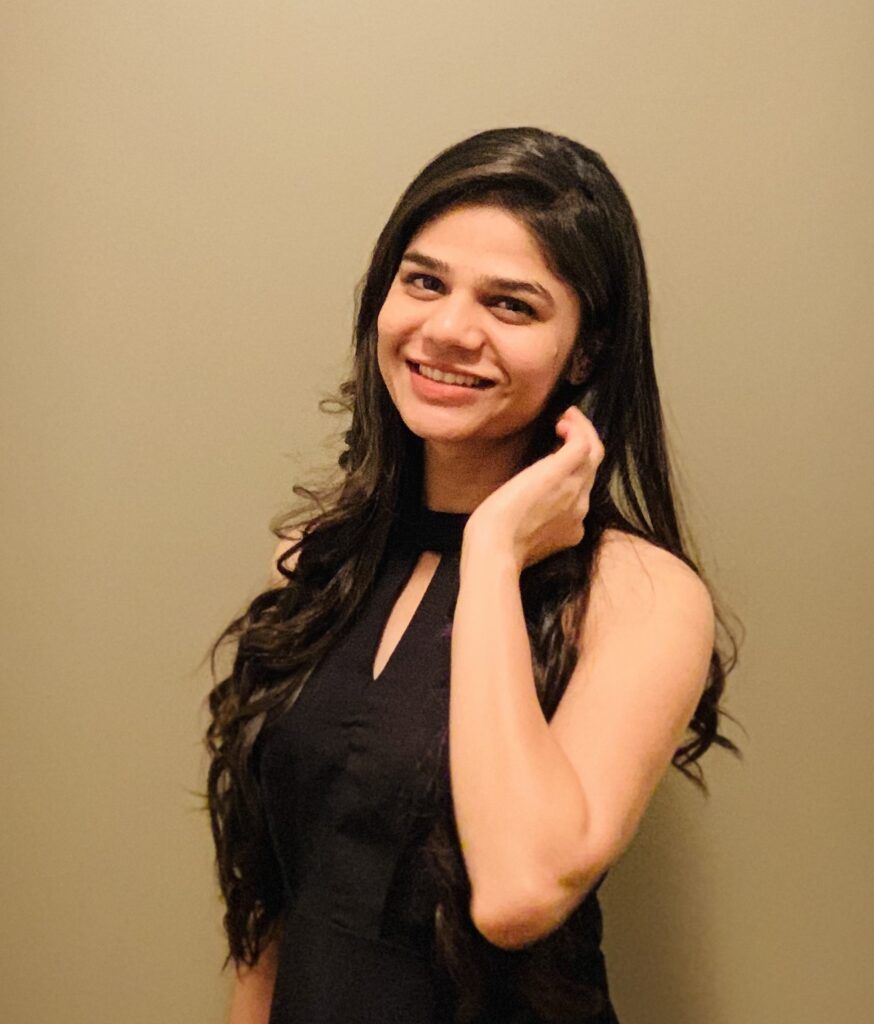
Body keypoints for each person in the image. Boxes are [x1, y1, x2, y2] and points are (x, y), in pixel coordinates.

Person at [204, 126, 742, 1024]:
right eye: (424, 281)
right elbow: (272, 907)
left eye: (513, 305)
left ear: (585, 354)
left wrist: (493, 551)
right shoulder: (316, 559)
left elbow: (519, 890)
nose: (449, 330)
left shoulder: (639, 596)